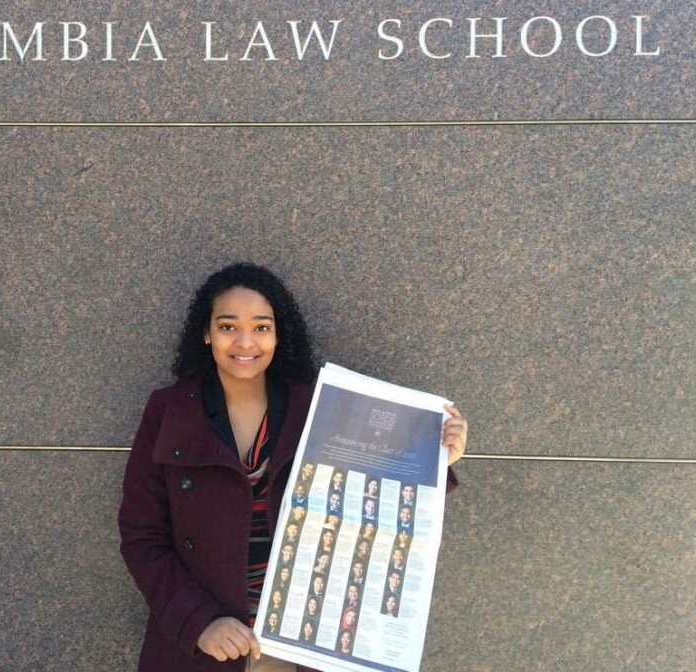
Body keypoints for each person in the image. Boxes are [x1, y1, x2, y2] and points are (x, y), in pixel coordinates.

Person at [118, 263, 468, 671]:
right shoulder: (170, 410)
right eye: (228, 326)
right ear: (206, 332)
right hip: (207, 643)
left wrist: (438, 456)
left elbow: (377, 501)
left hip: (301, 643)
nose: (245, 341)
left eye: (262, 327)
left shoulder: (320, 408)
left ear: (278, 335)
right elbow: (142, 536)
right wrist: (200, 623)